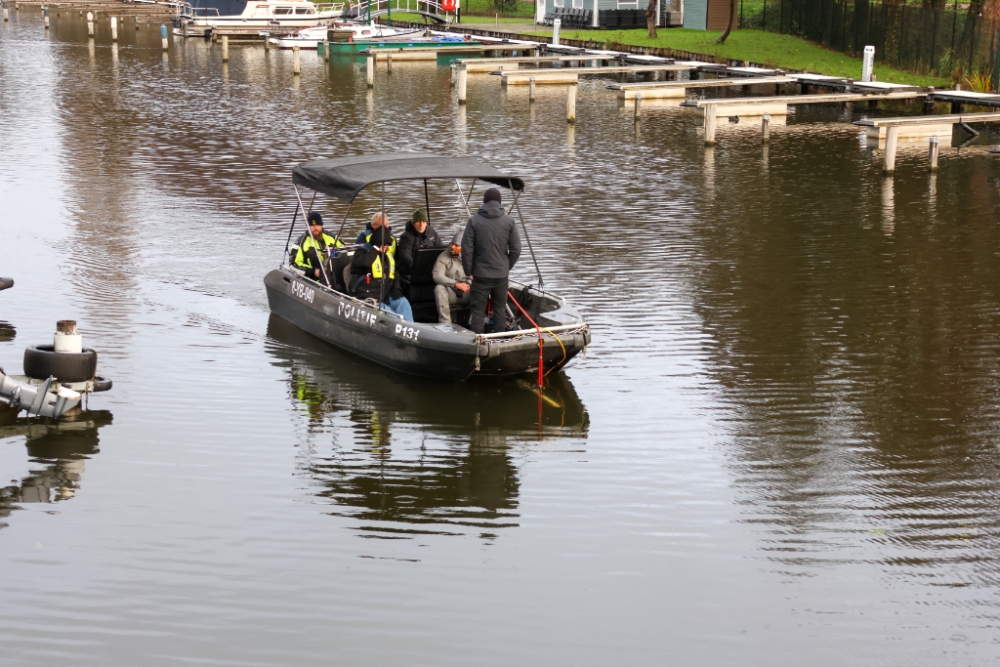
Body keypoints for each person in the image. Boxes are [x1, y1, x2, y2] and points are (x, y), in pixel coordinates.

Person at [462, 188, 521, 333]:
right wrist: (506, 266)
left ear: (484, 202)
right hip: (501, 275)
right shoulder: (509, 222)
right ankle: (499, 341)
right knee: (500, 309)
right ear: (500, 202)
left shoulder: (474, 221)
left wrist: (469, 271)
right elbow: (516, 249)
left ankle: (478, 343)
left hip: (480, 275)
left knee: (478, 311)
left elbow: (467, 249)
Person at [349, 225, 413, 322]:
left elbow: (394, 273)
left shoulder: (387, 257)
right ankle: (401, 328)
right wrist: (375, 248)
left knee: (403, 302)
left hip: (384, 296)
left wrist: (396, 288)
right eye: (383, 244)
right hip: (368, 298)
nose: (385, 246)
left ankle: (411, 328)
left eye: (387, 244)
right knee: (390, 313)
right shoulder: (361, 253)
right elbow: (365, 263)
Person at [432, 229, 472, 324]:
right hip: (451, 292)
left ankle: (475, 321)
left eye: (456, 245)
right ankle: (445, 324)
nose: (452, 247)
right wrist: (455, 284)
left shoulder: (471, 256)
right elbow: (437, 276)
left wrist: (468, 284)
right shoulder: (443, 256)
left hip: (468, 292)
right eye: (452, 244)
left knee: (483, 287)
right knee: (439, 288)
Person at [291, 212, 343, 286]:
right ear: (308, 226)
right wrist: (313, 272)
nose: (315, 228)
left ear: (321, 225)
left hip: (336, 279)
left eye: (317, 225)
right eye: (312, 225)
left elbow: (345, 253)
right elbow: (293, 265)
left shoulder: (333, 238)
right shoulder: (300, 243)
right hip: (313, 283)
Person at [397, 208, 441, 277]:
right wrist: (418, 265)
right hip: (412, 270)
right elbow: (404, 255)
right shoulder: (406, 237)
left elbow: (441, 248)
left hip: (431, 267)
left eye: (423, 221)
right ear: (413, 224)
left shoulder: (432, 233)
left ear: (426, 223)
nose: (421, 224)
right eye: (418, 221)